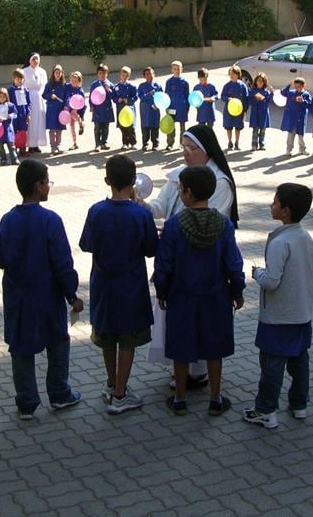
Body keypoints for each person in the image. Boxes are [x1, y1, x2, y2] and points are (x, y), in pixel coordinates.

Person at [141, 124, 238, 386]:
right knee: (181, 324)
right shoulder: (179, 177)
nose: (185, 153)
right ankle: (185, 371)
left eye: (191, 149)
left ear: (205, 151)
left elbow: (210, 223)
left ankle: (197, 373)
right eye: (183, 147)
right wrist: (140, 203)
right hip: (179, 263)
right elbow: (161, 207)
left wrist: (172, 233)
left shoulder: (218, 183)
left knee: (202, 323)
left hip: (204, 264)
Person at [0, 159, 83, 419]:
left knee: (21, 349)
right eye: (47, 182)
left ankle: (27, 402)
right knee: (58, 342)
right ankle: (59, 393)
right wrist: (72, 295)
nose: (49, 187)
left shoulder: (7, 220)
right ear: (38, 186)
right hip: (47, 296)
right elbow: (62, 263)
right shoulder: (50, 220)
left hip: (17, 296)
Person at [152, 166, 244, 417]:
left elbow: (163, 263)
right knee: (214, 349)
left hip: (181, 295)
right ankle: (215, 398)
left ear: (188, 193)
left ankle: (180, 398)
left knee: (180, 347)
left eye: (181, 189)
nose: (180, 192)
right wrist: (237, 291)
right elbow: (233, 263)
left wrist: (161, 290)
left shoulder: (174, 225)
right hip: (216, 296)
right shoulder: (223, 224)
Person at [79, 155, 158, 415]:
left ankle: (112, 384)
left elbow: (86, 244)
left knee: (108, 335)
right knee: (127, 339)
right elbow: (150, 249)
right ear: (134, 181)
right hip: (131, 285)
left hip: (103, 283)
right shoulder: (140, 214)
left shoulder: (96, 211)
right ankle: (121, 393)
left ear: (106, 180)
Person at [243, 183, 313, 429]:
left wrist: (257, 273)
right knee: (299, 360)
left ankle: (265, 409)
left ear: (285, 211)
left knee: (272, 363)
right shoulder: (306, 238)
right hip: (302, 313)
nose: (270, 206)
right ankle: (299, 404)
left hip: (279, 316)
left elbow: (272, 281)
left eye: (275, 203)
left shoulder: (279, 242)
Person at [22, 54, 48, 153]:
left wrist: (41, 95)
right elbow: (23, 85)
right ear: (29, 60)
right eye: (33, 59)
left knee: (39, 122)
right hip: (29, 98)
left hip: (39, 99)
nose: (35, 61)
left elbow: (44, 85)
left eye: (37, 59)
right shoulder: (25, 71)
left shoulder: (42, 71)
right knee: (31, 122)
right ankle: (29, 145)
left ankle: (36, 144)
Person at [220, 65, 249, 151]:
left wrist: (245, 110)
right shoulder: (227, 86)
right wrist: (227, 98)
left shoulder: (242, 86)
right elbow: (222, 96)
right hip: (229, 111)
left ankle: (237, 142)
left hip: (239, 111)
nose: (231, 75)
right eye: (230, 74)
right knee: (228, 127)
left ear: (238, 74)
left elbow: (246, 98)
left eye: (233, 74)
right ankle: (230, 142)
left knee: (238, 127)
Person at [280, 77, 310, 156]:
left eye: (299, 87)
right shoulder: (292, 93)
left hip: (301, 119)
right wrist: (289, 85)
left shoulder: (306, 94)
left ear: (304, 86)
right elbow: (283, 92)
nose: (297, 89)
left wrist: (303, 101)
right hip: (292, 119)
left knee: (301, 136)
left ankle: (302, 149)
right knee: (290, 135)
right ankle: (288, 149)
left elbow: (309, 105)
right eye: (296, 87)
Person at [89, 64, 115, 152]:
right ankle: (97, 144)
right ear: (97, 74)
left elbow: (113, 96)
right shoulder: (94, 84)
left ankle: (104, 142)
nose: (102, 75)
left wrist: (109, 90)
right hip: (97, 110)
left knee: (106, 127)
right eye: (100, 73)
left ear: (107, 73)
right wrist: (91, 106)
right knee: (97, 128)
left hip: (107, 109)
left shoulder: (110, 84)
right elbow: (91, 97)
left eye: (104, 73)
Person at [164, 60, 190, 150]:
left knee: (182, 127)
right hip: (171, 107)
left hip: (182, 107)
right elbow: (166, 95)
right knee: (171, 126)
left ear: (181, 69)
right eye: (175, 69)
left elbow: (187, 96)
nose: (177, 70)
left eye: (178, 68)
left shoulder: (185, 82)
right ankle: (170, 143)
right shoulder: (169, 82)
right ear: (172, 70)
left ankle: (182, 144)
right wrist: (166, 107)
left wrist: (187, 107)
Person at [0, 87, 18, 165]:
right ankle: (3, 158)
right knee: (0, 146)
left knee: (11, 145)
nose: (2, 98)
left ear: (7, 97)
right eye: (0, 96)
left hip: (8, 128)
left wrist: (10, 116)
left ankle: (14, 159)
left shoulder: (10, 105)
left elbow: (15, 113)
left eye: (4, 97)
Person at [137, 66, 163, 151]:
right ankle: (145, 144)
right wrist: (149, 94)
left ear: (154, 75)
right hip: (145, 110)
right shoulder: (142, 86)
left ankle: (155, 144)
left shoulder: (158, 86)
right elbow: (141, 97)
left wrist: (158, 104)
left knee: (155, 127)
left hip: (155, 110)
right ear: (144, 76)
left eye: (151, 74)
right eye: (147, 74)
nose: (149, 76)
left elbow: (162, 97)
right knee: (145, 127)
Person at [8, 70, 33, 156]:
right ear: (14, 79)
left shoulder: (26, 90)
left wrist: (29, 114)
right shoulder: (10, 90)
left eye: (21, 79)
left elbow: (28, 103)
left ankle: (23, 149)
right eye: (17, 79)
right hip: (14, 115)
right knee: (13, 131)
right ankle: (13, 149)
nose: (19, 81)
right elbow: (8, 103)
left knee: (23, 132)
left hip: (23, 114)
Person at [45, 65, 68, 155]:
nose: (58, 74)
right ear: (53, 73)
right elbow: (44, 95)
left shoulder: (64, 85)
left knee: (59, 129)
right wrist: (50, 96)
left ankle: (58, 146)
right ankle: (52, 146)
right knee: (52, 129)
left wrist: (66, 105)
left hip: (61, 110)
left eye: (59, 73)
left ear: (62, 74)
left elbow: (67, 97)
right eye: (56, 73)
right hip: (52, 111)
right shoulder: (49, 84)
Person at [114, 66, 138, 149]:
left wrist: (128, 100)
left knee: (130, 127)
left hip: (129, 110)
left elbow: (135, 97)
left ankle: (133, 143)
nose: (124, 77)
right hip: (120, 109)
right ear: (120, 75)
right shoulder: (116, 86)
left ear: (129, 76)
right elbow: (114, 97)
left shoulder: (132, 86)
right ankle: (125, 143)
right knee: (122, 127)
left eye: (126, 76)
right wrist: (118, 99)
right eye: (123, 75)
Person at [248, 72, 272, 151]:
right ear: (255, 81)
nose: (260, 82)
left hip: (264, 113)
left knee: (263, 130)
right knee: (255, 130)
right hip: (255, 113)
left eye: (262, 81)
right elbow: (250, 101)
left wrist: (272, 94)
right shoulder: (253, 91)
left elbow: (269, 102)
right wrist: (256, 99)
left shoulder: (266, 92)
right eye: (258, 80)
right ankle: (254, 144)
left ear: (264, 82)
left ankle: (262, 144)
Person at [66, 71, 86, 150]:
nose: (73, 82)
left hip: (75, 109)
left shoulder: (80, 90)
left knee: (74, 113)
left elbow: (83, 103)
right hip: (68, 108)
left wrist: (82, 115)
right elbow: (66, 96)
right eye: (72, 80)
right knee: (71, 126)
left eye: (76, 81)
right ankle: (74, 143)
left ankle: (80, 122)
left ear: (79, 81)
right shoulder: (68, 86)